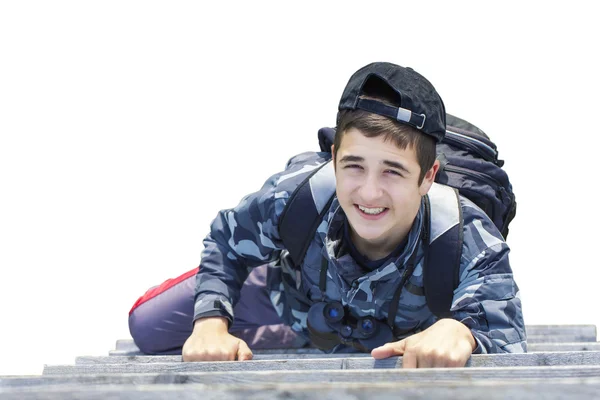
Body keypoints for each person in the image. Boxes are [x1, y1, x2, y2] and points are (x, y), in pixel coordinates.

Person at [128, 61, 526, 368]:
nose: (369, 192)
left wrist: (459, 331)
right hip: (291, 299)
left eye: (393, 170)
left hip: (407, 332)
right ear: (333, 159)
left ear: (428, 177)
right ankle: (287, 333)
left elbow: (507, 330)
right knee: (147, 326)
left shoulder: (461, 232)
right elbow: (227, 241)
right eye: (354, 166)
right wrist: (211, 321)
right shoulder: (300, 195)